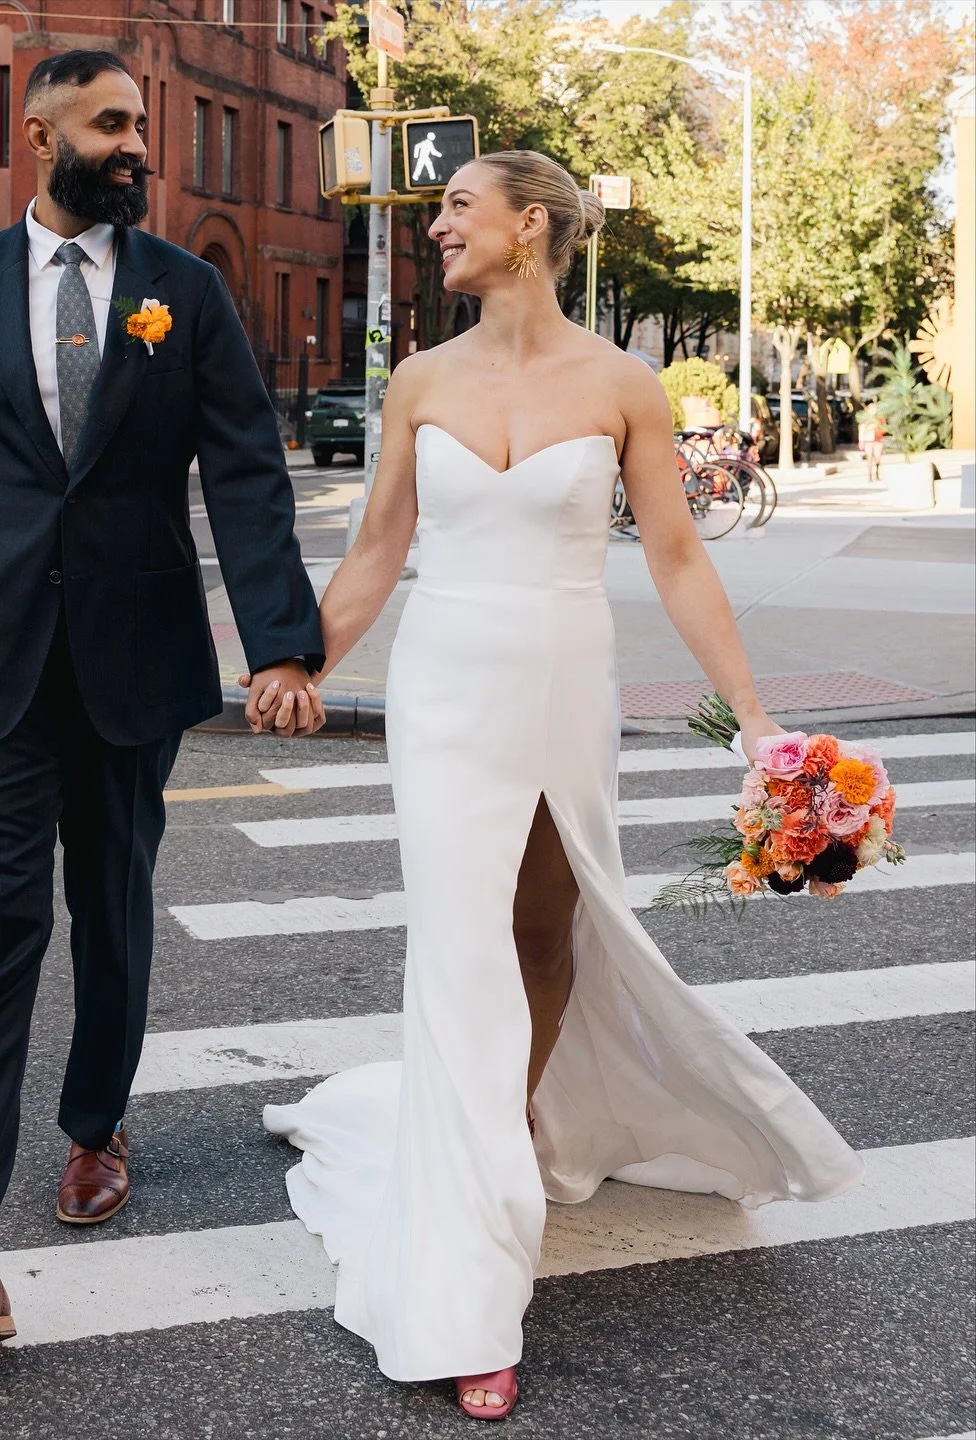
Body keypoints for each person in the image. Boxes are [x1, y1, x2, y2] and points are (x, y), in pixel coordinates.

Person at [262, 151, 863, 1422]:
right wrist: (302, 660)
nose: (434, 227)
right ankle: (470, 1275)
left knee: (548, 930)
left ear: (528, 228)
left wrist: (754, 717)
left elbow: (685, 559)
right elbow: (380, 549)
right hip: (446, 685)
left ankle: (516, 1118)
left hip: (566, 673)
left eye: (456, 208)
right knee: (462, 947)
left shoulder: (622, 382)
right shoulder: (419, 382)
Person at [0, 50, 326, 1355]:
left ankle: (94, 1124)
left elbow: (245, 469)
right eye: (112, 125)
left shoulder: (187, 292)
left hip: (134, 654)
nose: (137, 145)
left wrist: (282, 643)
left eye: (142, 125)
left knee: (109, 908)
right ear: (38, 132)